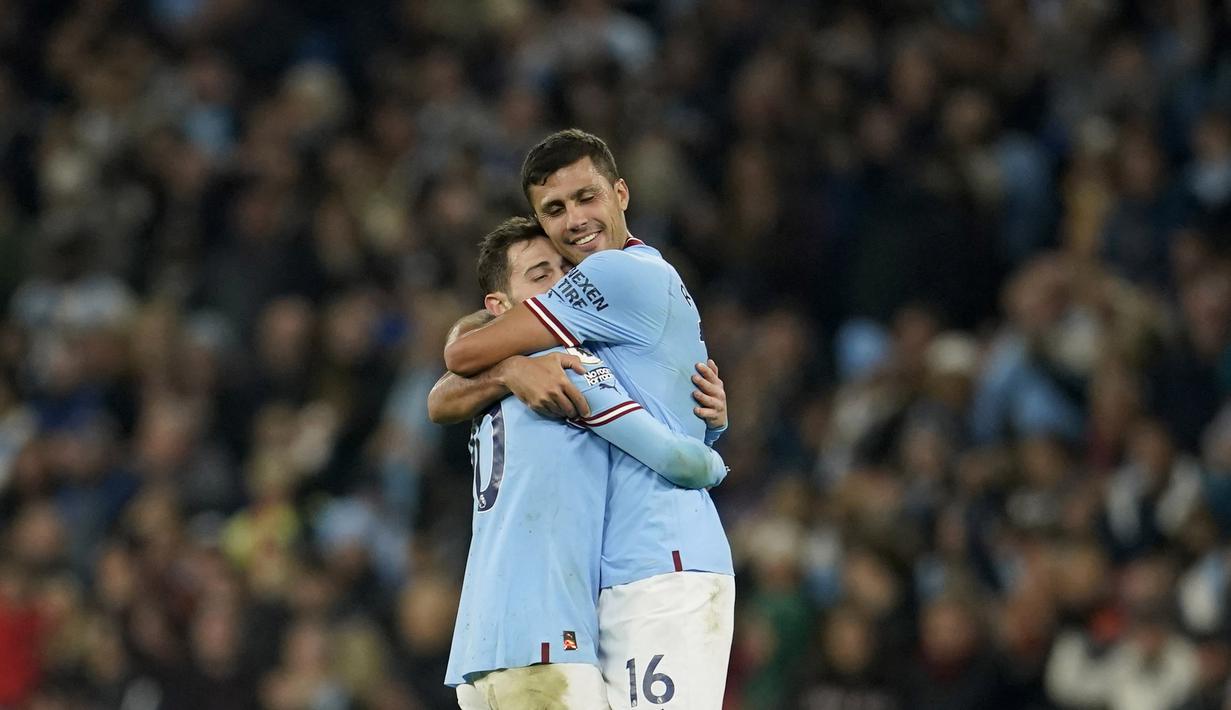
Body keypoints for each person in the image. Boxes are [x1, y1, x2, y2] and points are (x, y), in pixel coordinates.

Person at [445, 129, 735, 710]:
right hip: (608, 576)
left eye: (586, 198)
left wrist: (712, 460)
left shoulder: (612, 278)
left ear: (621, 193)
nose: (574, 219)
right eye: (554, 209)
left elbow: (460, 355)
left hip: (663, 561)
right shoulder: (576, 327)